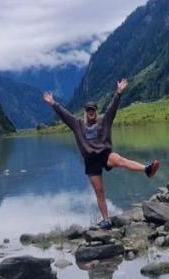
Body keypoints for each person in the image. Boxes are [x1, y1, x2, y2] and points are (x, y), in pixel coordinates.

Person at [43, 79, 159, 228]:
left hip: (105, 155)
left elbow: (112, 108)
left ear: (96, 112)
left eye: (93, 110)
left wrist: (118, 92)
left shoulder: (104, 121)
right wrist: (53, 103)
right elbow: (64, 114)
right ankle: (106, 220)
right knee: (99, 191)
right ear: (85, 113)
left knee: (120, 160)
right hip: (91, 161)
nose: (91, 112)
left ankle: (147, 169)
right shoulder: (77, 124)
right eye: (88, 110)